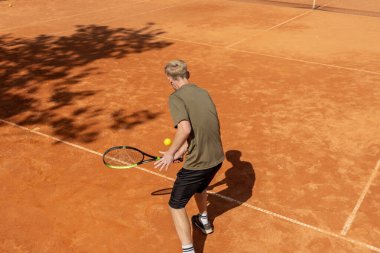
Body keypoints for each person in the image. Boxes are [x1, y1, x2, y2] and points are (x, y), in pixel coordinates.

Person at [154, 59, 224, 253]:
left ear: (170, 80)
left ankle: (188, 251)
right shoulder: (203, 93)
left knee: (176, 205)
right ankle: (204, 221)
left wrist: (169, 154)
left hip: (199, 163)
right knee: (200, 187)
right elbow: (201, 129)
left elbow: (185, 129)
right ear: (188, 74)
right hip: (216, 158)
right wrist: (179, 151)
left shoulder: (176, 98)